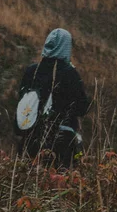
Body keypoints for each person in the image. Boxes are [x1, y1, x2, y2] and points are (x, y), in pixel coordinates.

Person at [15, 28, 90, 168]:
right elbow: (82, 107)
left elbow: (21, 99)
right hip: (61, 143)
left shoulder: (32, 70)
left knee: (27, 180)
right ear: (66, 47)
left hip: (29, 138)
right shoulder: (69, 73)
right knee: (58, 184)